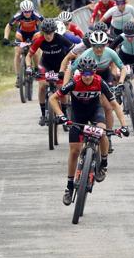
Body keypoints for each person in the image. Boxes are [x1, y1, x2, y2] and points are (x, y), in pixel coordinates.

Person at [49, 56, 129, 205]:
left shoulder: (100, 82)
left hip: (95, 111)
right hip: (78, 115)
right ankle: (69, 187)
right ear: (80, 73)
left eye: (90, 74)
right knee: (74, 151)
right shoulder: (74, 82)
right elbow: (53, 99)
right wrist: (61, 116)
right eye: (84, 74)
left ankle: (103, 163)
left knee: (102, 132)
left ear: (94, 72)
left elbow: (115, 105)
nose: (87, 77)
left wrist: (124, 126)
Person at [26, 19, 73, 126]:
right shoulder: (40, 40)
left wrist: (70, 64)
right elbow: (29, 56)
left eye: (50, 33)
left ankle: (64, 114)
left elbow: (74, 51)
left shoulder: (60, 38)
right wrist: (29, 67)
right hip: (46, 65)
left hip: (60, 65)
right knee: (42, 85)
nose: (48, 36)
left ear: (54, 31)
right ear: (43, 32)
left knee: (62, 89)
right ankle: (43, 114)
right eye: (46, 33)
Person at [2, 0, 44, 87]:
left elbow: (45, 23)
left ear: (32, 10)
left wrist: (46, 36)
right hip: (21, 34)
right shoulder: (18, 15)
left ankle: (36, 69)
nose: (27, 13)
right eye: (25, 12)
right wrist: (5, 37)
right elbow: (8, 26)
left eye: (29, 11)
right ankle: (18, 77)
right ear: (22, 11)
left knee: (36, 52)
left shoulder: (36, 15)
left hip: (34, 33)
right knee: (17, 53)